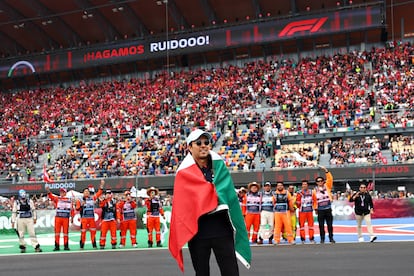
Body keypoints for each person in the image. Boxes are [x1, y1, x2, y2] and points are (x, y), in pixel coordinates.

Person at [169, 129, 251, 275]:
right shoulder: (183, 174)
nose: (203, 145)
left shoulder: (219, 167)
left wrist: (211, 195)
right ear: (189, 147)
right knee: (201, 273)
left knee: (231, 272)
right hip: (198, 232)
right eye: (198, 143)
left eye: (206, 142)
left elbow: (228, 193)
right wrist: (207, 195)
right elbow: (182, 205)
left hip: (222, 229)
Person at [75, 179, 104, 249]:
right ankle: (82, 246)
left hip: (91, 218)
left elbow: (99, 193)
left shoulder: (92, 198)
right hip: (84, 219)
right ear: (83, 193)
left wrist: (101, 186)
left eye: (87, 191)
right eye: (85, 192)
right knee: (83, 233)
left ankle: (94, 245)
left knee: (93, 232)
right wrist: (81, 205)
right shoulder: (80, 199)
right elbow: (77, 208)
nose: (87, 193)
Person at [46, 186, 75, 251]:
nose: (62, 193)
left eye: (63, 192)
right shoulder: (57, 198)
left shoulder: (69, 199)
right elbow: (51, 196)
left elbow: (72, 209)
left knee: (66, 232)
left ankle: (66, 246)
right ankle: (57, 246)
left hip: (66, 218)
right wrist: (48, 190)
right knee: (57, 232)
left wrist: (72, 217)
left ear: (65, 193)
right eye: (61, 192)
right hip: (58, 217)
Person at [313, 166, 335, 244]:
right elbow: (314, 201)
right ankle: (322, 239)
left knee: (330, 225)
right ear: (316, 183)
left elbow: (330, 179)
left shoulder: (327, 186)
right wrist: (315, 209)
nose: (320, 182)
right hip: (320, 210)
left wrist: (326, 170)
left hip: (328, 208)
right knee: (321, 226)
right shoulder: (314, 190)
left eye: (321, 181)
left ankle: (331, 238)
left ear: (323, 181)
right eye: (318, 181)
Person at [296, 179, 317, 244]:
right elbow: (297, 202)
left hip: (310, 211)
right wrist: (298, 204)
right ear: (302, 185)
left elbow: (315, 201)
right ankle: (303, 239)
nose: (304, 185)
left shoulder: (312, 192)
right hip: (302, 211)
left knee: (311, 225)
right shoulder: (299, 193)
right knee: (301, 226)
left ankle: (311, 238)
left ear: (307, 185)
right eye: (303, 184)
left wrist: (315, 208)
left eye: (305, 184)